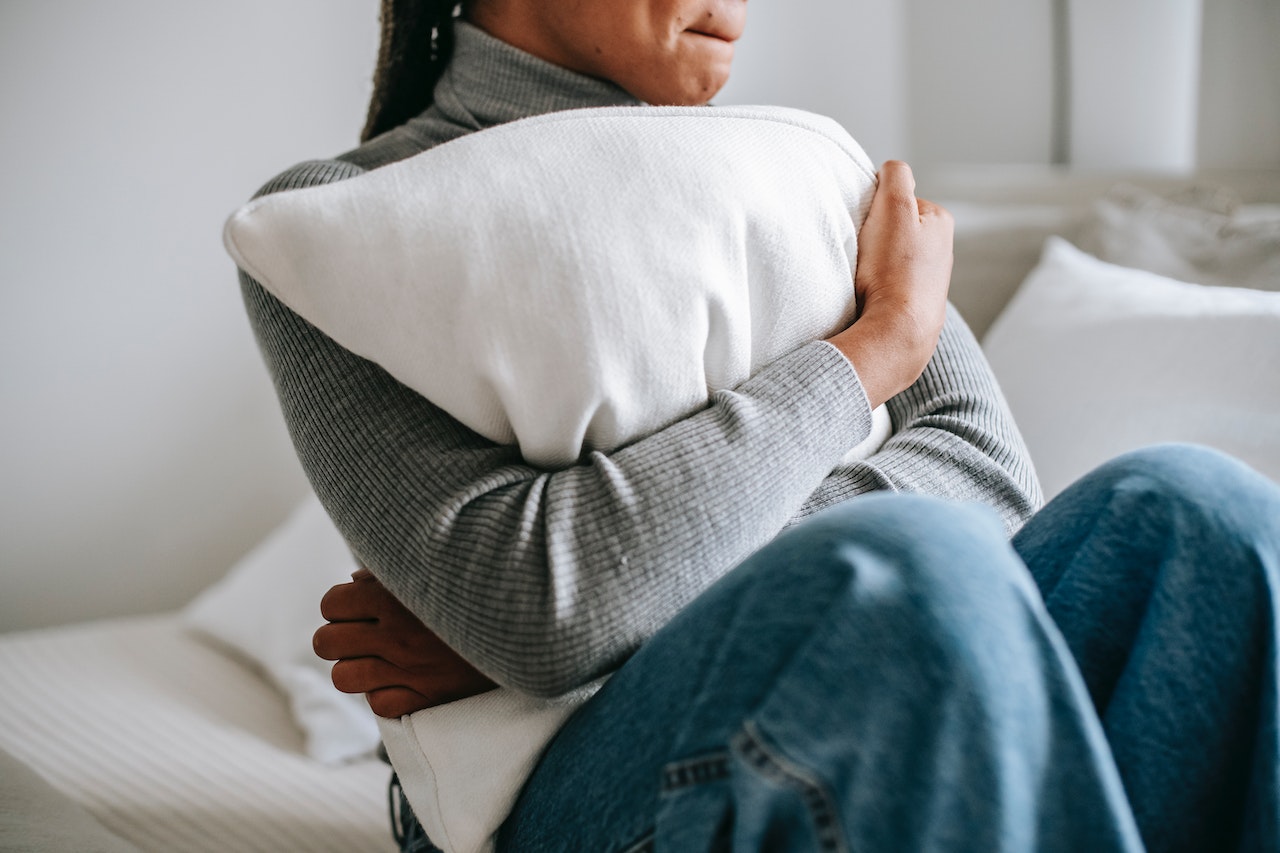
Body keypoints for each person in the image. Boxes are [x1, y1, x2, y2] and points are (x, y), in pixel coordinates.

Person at [237, 0, 1280, 850]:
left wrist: (630, 613)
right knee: (902, 562)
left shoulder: (805, 168)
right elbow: (544, 607)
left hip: (747, 677)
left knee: (1199, 506)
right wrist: (873, 350)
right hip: (558, 798)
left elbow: (990, 482)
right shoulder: (334, 217)